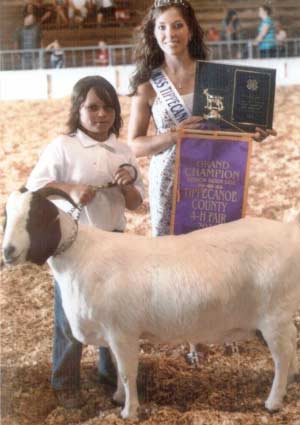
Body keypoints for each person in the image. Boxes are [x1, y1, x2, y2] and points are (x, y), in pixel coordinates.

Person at [26, 75, 144, 408]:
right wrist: (70, 190)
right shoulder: (63, 146)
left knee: (115, 314)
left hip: (115, 244)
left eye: (108, 107)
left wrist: (127, 187)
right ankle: (65, 380)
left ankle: (110, 375)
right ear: (77, 109)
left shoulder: (122, 149)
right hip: (72, 248)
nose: (101, 114)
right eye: (92, 107)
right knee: (69, 316)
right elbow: (34, 187)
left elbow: (136, 204)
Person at [128, 0, 276, 237]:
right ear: (153, 33)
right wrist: (174, 135)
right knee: (171, 249)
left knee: (213, 248)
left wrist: (252, 132)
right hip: (169, 180)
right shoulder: (147, 85)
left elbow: (226, 127)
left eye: (178, 25)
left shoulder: (216, 76)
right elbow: (134, 145)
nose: (170, 34)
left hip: (212, 176)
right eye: (162, 27)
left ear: (190, 30)